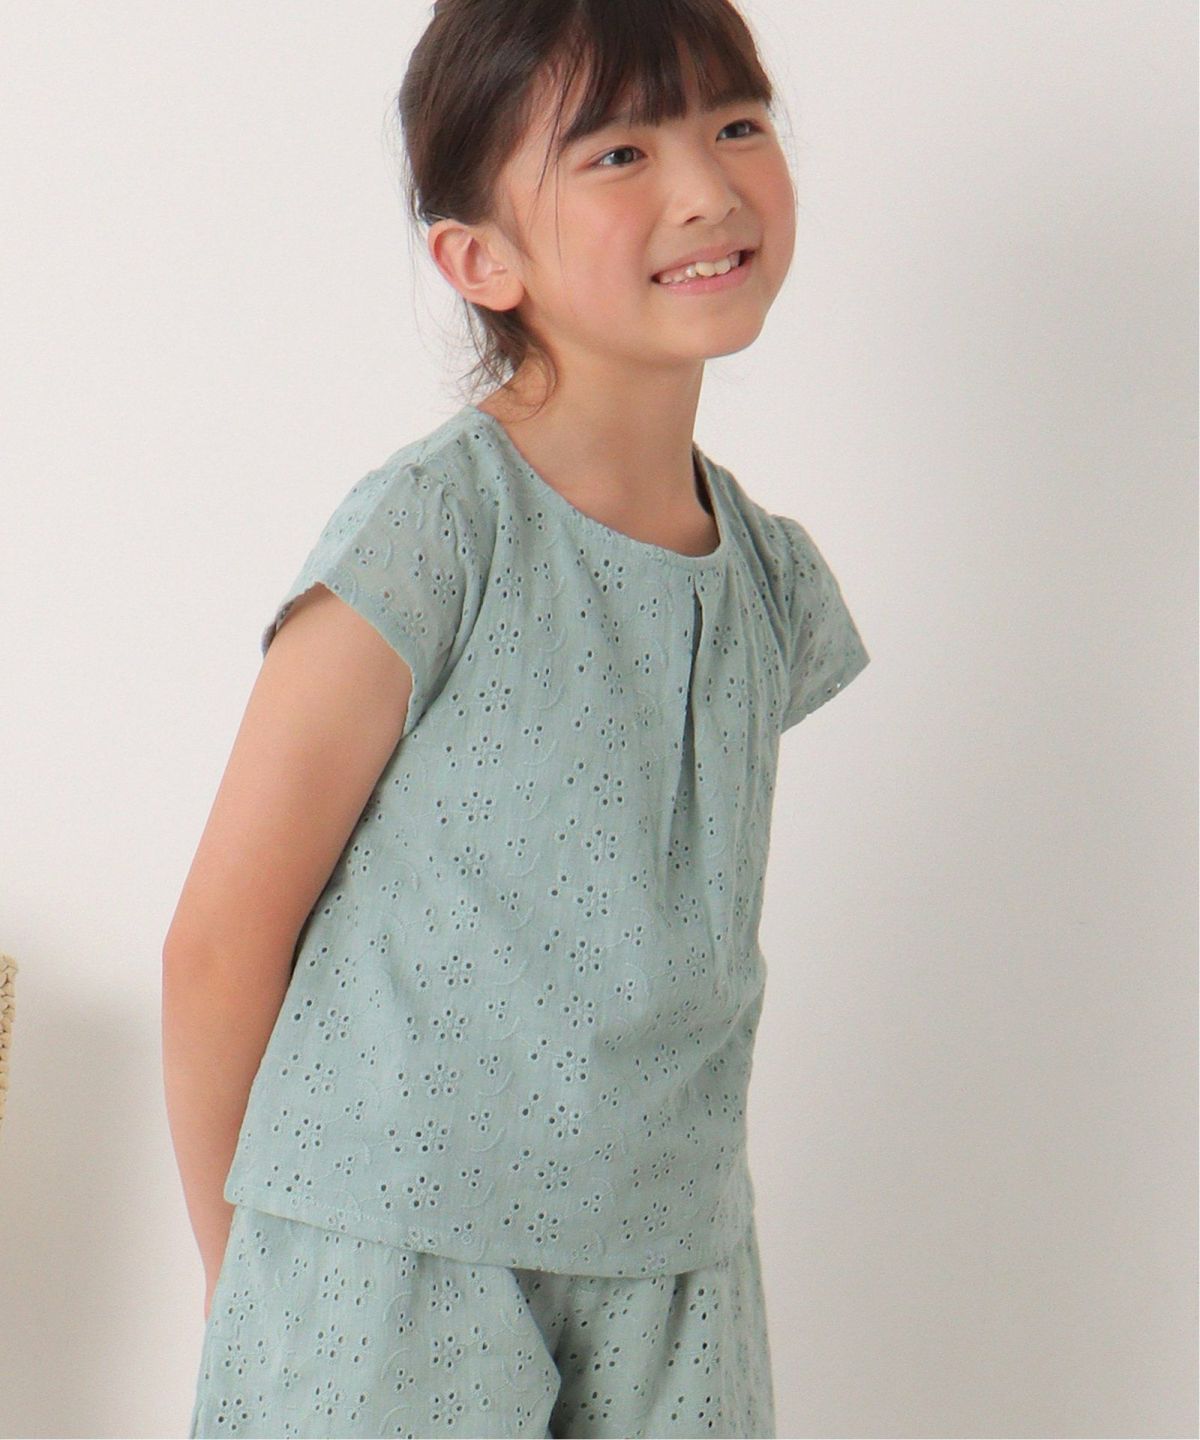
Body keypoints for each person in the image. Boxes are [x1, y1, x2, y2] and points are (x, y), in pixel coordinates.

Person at [163, 1, 871, 1435]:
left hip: (675, 1264)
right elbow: (222, 942)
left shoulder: (770, 578)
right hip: (391, 1254)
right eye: (619, 152)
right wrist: (259, 1281)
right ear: (480, 259)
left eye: (737, 123)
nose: (707, 187)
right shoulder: (436, 534)